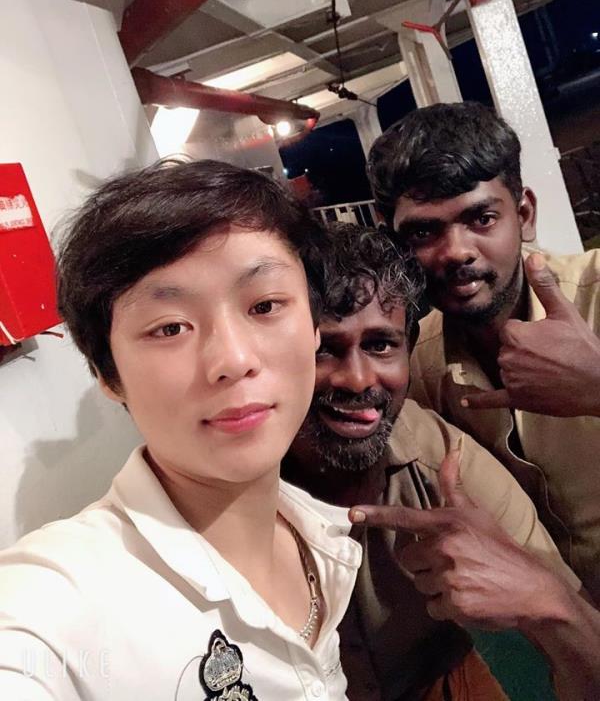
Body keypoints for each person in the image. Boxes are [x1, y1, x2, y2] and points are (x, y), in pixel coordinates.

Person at [0, 161, 361, 701]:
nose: (232, 359)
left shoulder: (322, 535)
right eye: (169, 328)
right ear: (107, 375)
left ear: (313, 326)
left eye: (264, 306)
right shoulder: (59, 604)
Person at [282, 222, 600, 701]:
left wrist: (548, 603)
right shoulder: (222, 479)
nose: (357, 379)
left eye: (380, 345)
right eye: (323, 349)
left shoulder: (450, 469)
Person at [367, 101, 600, 603]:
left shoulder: (597, 292)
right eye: (424, 232)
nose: (456, 251)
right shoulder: (414, 365)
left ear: (524, 214)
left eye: (482, 218)